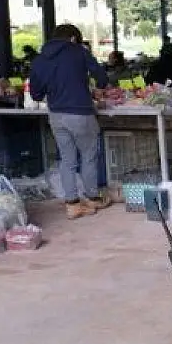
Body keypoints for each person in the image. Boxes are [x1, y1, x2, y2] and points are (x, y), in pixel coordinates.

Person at [28, 24, 112, 219]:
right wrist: (99, 88)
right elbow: (101, 76)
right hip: (81, 113)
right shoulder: (78, 52)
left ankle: (72, 204)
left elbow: (36, 94)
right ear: (73, 38)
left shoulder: (40, 59)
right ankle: (92, 198)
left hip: (56, 115)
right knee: (89, 155)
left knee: (67, 160)